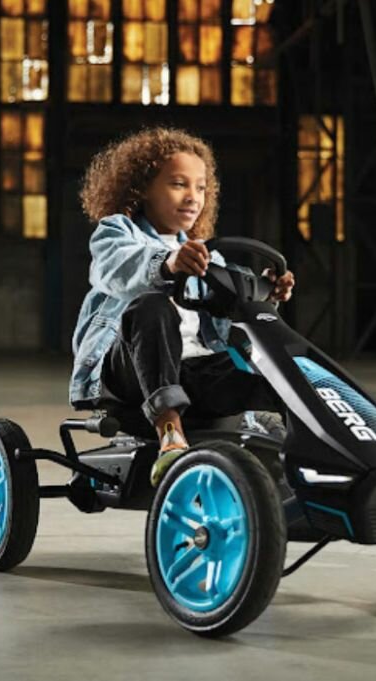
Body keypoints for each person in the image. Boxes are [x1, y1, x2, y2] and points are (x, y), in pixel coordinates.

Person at [69, 127, 295, 486]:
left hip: (195, 375)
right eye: (178, 184)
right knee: (152, 306)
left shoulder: (206, 253)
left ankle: (301, 457)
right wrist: (167, 263)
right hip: (129, 374)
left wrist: (266, 291)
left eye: (201, 188)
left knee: (278, 366)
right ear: (142, 188)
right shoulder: (117, 232)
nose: (193, 197)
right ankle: (170, 433)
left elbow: (233, 299)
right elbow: (117, 268)